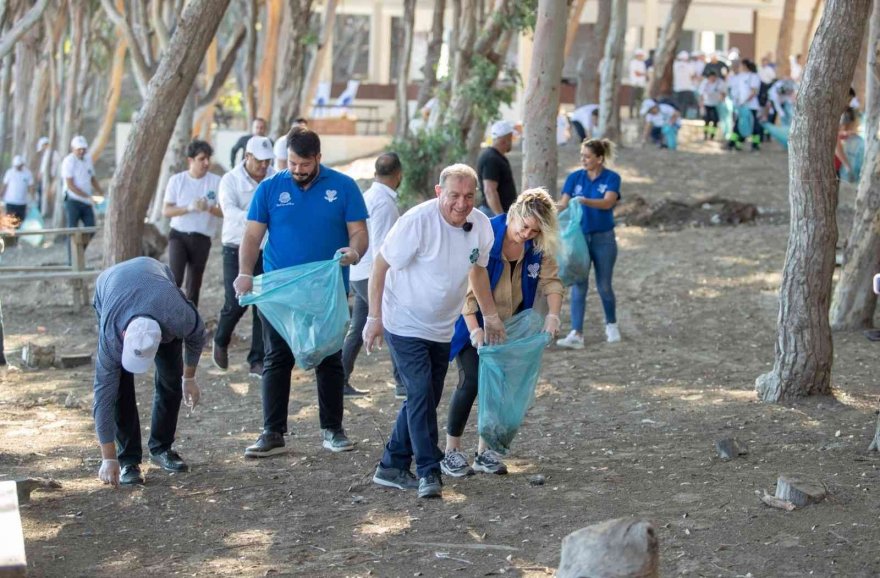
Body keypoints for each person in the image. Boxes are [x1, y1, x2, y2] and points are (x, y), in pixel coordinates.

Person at [364, 164, 498, 499]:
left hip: (442, 325)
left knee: (425, 397)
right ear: (440, 192)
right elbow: (379, 266)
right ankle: (428, 471)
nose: (461, 203)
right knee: (422, 392)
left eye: (469, 196)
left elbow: (478, 272)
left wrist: (491, 316)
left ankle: (391, 465)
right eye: (454, 195)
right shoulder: (417, 221)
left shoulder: (480, 226)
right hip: (403, 320)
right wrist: (373, 317)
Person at [234, 128, 368, 458]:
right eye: (293, 163)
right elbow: (252, 237)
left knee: (328, 355)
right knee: (276, 357)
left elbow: (359, 232)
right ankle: (273, 431)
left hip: (326, 289)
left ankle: (332, 429)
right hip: (280, 290)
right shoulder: (269, 188)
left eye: (305, 164)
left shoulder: (344, 186)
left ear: (319, 159)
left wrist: (354, 253)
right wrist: (245, 273)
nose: (298, 170)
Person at [441, 189, 564, 478]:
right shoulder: (486, 235)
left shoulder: (536, 245)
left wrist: (554, 315)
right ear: (512, 214)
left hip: (510, 324)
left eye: (534, 230)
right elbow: (466, 292)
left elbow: (552, 282)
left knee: (499, 387)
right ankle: (451, 451)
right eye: (524, 226)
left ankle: (485, 451)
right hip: (472, 320)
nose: (527, 233)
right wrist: (475, 331)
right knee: (471, 380)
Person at [93, 257, 206, 487]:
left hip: (157, 284)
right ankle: (127, 460)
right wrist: (108, 457)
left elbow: (197, 334)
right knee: (119, 391)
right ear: (124, 338)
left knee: (171, 379)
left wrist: (189, 377)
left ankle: (162, 447)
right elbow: (102, 400)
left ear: (163, 336)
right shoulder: (112, 337)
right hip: (109, 288)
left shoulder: (175, 315)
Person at [342, 153, 406, 398]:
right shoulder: (384, 203)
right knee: (392, 321)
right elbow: (383, 247)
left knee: (359, 325)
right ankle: (402, 382)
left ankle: (340, 378)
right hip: (370, 274)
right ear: (399, 174)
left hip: (359, 271)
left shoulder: (368, 196)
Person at [213, 136, 276, 378]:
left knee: (263, 304)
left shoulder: (275, 176)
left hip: (267, 248)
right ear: (247, 157)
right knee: (236, 300)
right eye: (259, 161)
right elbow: (230, 212)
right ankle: (221, 339)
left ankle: (257, 360)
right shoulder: (230, 180)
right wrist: (260, 218)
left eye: (267, 161)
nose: (263, 166)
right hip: (235, 246)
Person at [556, 139, 622, 349]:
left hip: (604, 238)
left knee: (604, 285)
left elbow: (608, 202)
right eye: (581, 155)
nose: (582, 159)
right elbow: (563, 203)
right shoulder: (575, 177)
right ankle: (576, 332)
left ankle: (611, 324)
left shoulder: (612, 178)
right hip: (579, 240)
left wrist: (584, 201)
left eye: (587, 156)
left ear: (600, 158)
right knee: (579, 285)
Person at [163, 140, 223, 307]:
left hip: (202, 237)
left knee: (194, 283)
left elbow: (225, 211)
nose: (206, 163)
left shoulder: (216, 182)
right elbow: (166, 210)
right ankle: (170, 313)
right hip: (179, 235)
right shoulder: (177, 180)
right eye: (202, 159)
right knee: (175, 277)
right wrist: (188, 208)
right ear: (190, 160)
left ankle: (191, 323)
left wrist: (209, 208)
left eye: (208, 159)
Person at [61, 135, 103, 256]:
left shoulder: (88, 159)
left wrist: (100, 191)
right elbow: (70, 185)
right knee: (72, 230)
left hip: (86, 201)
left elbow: (92, 177)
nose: (81, 151)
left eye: (83, 149)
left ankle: (79, 252)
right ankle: (71, 260)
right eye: (79, 149)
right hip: (72, 200)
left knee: (91, 227)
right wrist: (86, 196)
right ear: (73, 148)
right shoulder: (68, 161)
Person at [477, 120, 518, 216]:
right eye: (510, 138)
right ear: (504, 140)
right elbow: (490, 190)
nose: (511, 142)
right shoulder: (491, 159)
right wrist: (500, 217)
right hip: (492, 213)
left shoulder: (496, 157)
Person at [727, 59, 761, 151]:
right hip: (741, 106)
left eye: (741, 65)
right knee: (739, 124)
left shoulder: (754, 76)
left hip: (751, 106)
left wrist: (745, 101)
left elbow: (753, 91)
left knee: (753, 125)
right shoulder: (739, 77)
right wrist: (737, 101)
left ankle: (755, 145)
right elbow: (736, 90)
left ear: (745, 66)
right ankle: (734, 143)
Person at [2, 155, 34, 229]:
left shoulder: (27, 173)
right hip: (11, 202)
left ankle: (16, 239)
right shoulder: (9, 172)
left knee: (19, 222)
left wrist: (32, 198)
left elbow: (31, 186)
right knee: (10, 223)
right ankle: (9, 239)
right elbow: (5, 185)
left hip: (22, 203)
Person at [698, 70, 726, 140]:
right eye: (711, 77)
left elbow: (723, 93)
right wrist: (701, 104)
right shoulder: (705, 82)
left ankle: (712, 135)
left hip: (716, 104)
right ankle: (705, 134)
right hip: (707, 103)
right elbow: (701, 94)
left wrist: (722, 101)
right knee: (706, 120)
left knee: (715, 120)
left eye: (714, 77)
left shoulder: (719, 83)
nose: (712, 79)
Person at [673, 51, 697, 117]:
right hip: (687, 87)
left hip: (677, 88)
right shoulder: (689, 65)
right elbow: (692, 76)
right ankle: (682, 116)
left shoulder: (675, 65)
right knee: (684, 104)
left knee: (677, 103)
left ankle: (677, 116)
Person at [627, 49, 648, 118]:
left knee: (639, 100)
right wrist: (644, 74)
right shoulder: (633, 63)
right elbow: (637, 73)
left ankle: (638, 113)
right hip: (634, 84)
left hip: (641, 84)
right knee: (632, 100)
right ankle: (631, 114)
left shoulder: (642, 63)